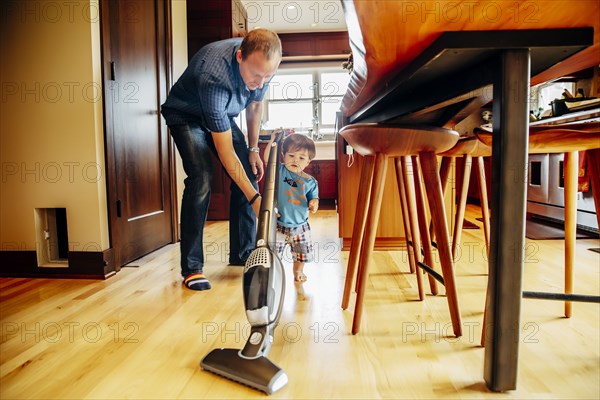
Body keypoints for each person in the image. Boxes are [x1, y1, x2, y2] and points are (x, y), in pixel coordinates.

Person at [161, 29, 282, 291]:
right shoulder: (214, 75)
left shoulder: (263, 66)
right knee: (202, 177)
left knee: (248, 174)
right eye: (255, 75)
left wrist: (252, 149)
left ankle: (243, 253)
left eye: (267, 77)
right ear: (240, 57)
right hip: (186, 115)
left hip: (221, 115)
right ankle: (192, 267)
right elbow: (226, 155)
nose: (260, 83)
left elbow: (255, 106)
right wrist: (256, 201)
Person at [264, 132, 319, 282]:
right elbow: (268, 158)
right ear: (283, 155)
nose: (296, 160)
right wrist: (272, 140)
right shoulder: (280, 171)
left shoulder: (310, 182)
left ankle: (298, 271)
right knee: (274, 253)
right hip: (279, 225)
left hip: (300, 227)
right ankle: (274, 273)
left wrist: (313, 203)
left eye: (301, 158)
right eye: (291, 156)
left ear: (308, 161)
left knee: (301, 254)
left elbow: (314, 197)